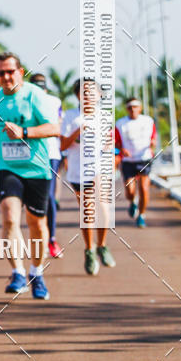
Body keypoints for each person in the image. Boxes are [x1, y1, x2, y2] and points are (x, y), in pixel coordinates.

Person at [0, 53, 60, 300]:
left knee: (37, 224)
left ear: (20, 71)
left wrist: (24, 131)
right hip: (8, 168)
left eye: (10, 72)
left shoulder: (35, 96)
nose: (6, 77)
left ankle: (37, 273)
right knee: (9, 217)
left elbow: (54, 128)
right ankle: (17, 272)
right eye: (1, 73)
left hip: (37, 169)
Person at [60, 78, 116, 274]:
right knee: (88, 213)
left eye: (93, 92)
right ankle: (90, 249)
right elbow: (63, 145)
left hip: (100, 168)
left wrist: (110, 147)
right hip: (78, 171)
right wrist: (79, 129)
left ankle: (102, 245)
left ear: (100, 95)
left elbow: (110, 141)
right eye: (84, 92)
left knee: (102, 207)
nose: (88, 96)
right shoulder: (70, 116)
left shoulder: (105, 116)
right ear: (77, 95)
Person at [29, 73, 63, 258]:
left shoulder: (54, 101)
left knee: (48, 197)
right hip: (27, 156)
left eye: (41, 87)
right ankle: (37, 238)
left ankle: (51, 239)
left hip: (49, 154)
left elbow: (57, 126)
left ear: (46, 88)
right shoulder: (23, 99)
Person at [115, 97, 156, 228]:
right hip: (128, 161)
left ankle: (142, 215)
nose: (133, 109)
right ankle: (133, 201)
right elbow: (115, 141)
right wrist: (122, 149)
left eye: (135, 106)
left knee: (144, 188)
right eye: (130, 107)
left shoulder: (148, 121)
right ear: (127, 109)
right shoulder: (120, 123)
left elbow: (153, 137)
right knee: (130, 190)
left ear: (140, 108)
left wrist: (153, 143)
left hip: (144, 158)